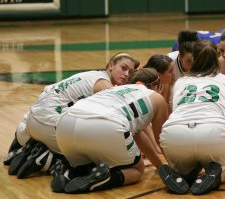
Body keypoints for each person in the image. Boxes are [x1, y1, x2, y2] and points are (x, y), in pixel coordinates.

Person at [5, 53, 139, 178]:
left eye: (130, 72)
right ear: (111, 65)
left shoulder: (90, 75)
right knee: (94, 159)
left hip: (28, 123)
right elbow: (120, 120)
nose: (126, 74)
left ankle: (27, 149)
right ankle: (47, 158)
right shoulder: (104, 85)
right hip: (48, 124)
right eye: (123, 68)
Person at [52, 68, 169, 193]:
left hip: (64, 123)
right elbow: (162, 141)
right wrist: (175, 169)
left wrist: (161, 166)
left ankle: (68, 173)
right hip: (103, 124)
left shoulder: (114, 89)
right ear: (156, 85)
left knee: (90, 165)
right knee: (137, 170)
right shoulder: (156, 97)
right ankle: (106, 179)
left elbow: (139, 136)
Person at [158, 42, 225, 195]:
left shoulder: (179, 82)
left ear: (194, 60)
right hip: (213, 130)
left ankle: (177, 175)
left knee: (187, 170)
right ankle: (213, 176)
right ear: (217, 59)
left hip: (175, 132)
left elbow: (174, 109)